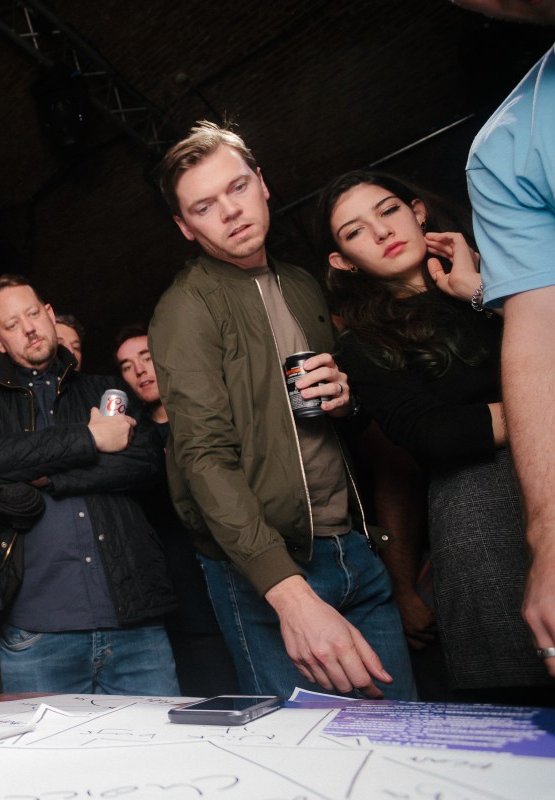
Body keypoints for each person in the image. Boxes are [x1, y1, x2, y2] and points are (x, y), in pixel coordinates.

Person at [147, 121, 415, 700]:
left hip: (352, 545)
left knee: (404, 735)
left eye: (238, 187)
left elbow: (341, 420)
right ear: (185, 227)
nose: (231, 211)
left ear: (263, 184)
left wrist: (345, 400)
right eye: (204, 206)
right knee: (301, 747)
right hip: (267, 568)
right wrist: (287, 592)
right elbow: (203, 458)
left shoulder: (302, 285)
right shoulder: (184, 309)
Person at [322, 169, 555, 701]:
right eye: (355, 231)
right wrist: (541, 398)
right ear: (343, 260)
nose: (382, 231)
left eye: (388, 210)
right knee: (526, 708)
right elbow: (438, 435)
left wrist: (481, 292)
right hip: (483, 519)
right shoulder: (361, 345)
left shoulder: (500, 281)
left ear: (418, 211)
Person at [0, 274, 179, 695]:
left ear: (50, 314)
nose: (28, 328)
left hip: (135, 626)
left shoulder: (105, 389)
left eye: (33, 314)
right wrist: (90, 439)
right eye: (12, 324)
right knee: (43, 743)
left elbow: (146, 460)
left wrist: (49, 475)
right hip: (36, 632)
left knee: (157, 739)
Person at [454, 0, 555, 679]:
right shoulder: (502, 151)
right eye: (355, 231)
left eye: (386, 210)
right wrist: (549, 533)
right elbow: (540, 330)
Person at [114, 323, 240, 697]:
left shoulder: (211, 419)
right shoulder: (131, 440)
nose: (139, 371)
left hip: (235, 579)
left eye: (146, 357)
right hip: (179, 598)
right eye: (126, 366)